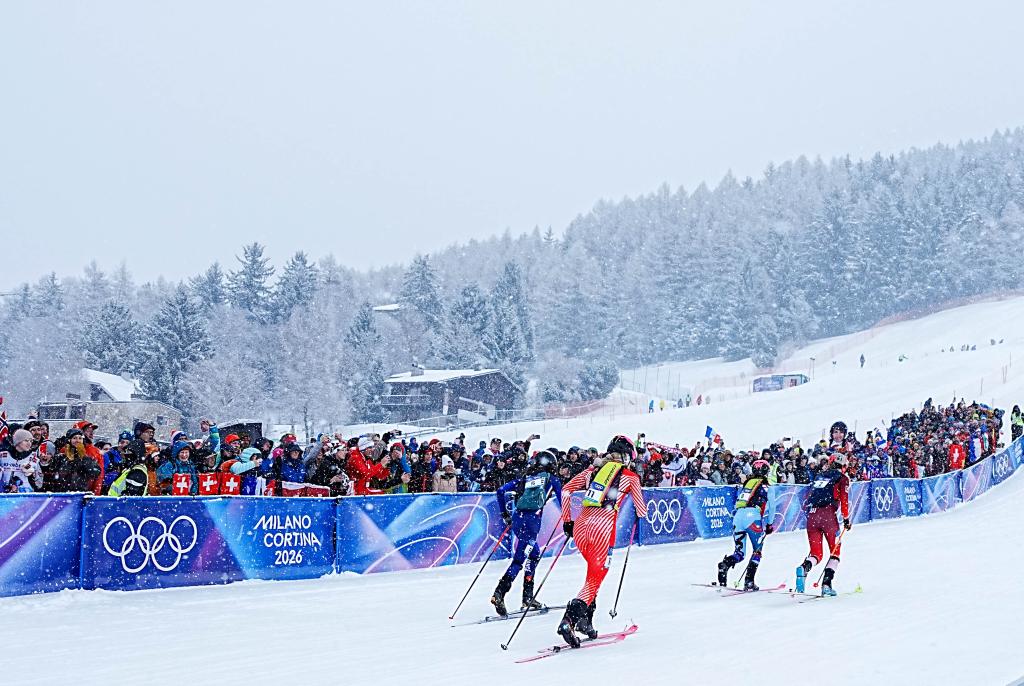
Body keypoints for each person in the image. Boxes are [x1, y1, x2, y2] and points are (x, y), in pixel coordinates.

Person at [556, 435, 648, 648]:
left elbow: (566, 490)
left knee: (593, 574)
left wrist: (567, 520)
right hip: (603, 528)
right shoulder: (630, 476)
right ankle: (569, 619)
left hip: (581, 526)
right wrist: (640, 512)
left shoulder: (591, 471)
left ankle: (586, 622)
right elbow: (641, 510)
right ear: (626, 457)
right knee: (595, 580)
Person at [490, 449, 563, 616]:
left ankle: (528, 597)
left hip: (518, 518)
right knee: (519, 560)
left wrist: (505, 514)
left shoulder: (526, 477)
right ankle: (499, 593)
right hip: (531, 521)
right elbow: (562, 499)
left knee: (534, 553)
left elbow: (500, 491)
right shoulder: (551, 479)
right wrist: (569, 521)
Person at [795, 452, 851, 597]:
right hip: (828, 517)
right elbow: (844, 500)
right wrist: (846, 519)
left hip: (812, 516)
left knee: (816, 553)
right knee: (835, 552)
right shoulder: (842, 478)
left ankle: (804, 567)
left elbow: (806, 497)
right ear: (843, 466)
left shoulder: (819, 476)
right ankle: (826, 585)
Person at [717, 459, 773, 591]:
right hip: (752, 517)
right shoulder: (767, 486)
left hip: (738, 517)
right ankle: (749, 581)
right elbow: (772, 507)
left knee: (739, 553)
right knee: (757, 551)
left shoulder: (747, 484)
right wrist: (769, 524)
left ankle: (725, 564)